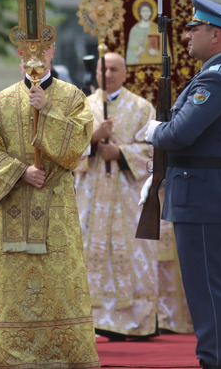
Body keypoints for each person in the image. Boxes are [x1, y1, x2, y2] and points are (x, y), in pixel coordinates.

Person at [144, 0, 221, 369]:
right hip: (214, 192)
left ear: (217, 35)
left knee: (207, 290)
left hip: (205, 194)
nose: (188, 34)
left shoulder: (216, 78)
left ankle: (216, 362)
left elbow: (179, 134)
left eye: (195, 28)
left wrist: (154, 130)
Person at [0, 42, 99, 368]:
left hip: (57, 208)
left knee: (61, 287)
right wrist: (20, 171)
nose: (35, 56)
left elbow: (78, 146)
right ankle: (10, 356)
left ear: (53, 51)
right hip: (16, 204)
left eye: (42, 49)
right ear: (18, 52)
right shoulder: (1, 102)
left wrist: (47, 111)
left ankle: (66, 354)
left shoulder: (73, 97)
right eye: (27, 49)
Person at [74, 51, 158, 340]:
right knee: (88, 252)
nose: (107, 74)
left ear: (125, 74)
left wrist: (120, 153)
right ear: (96, 73)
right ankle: (92, 319)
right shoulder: (81, 107)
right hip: (91, 197)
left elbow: (153, 153)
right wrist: (94, 141)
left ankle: (134, 322)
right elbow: (66, 151)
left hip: (127, 196)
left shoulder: (142, 107)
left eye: (113, 69)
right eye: (103, 69)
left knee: (133, 253)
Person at [126, 0, 160, 65]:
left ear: (151, 12)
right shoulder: (134, 30)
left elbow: (165, 49)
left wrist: (156, 53)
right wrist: (138, 52)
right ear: (139, 13)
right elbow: (130, 52)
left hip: (155, 63)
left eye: (148, 11)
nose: (145, 13)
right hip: (139, 63)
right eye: (143, 11)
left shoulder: (157, 28)